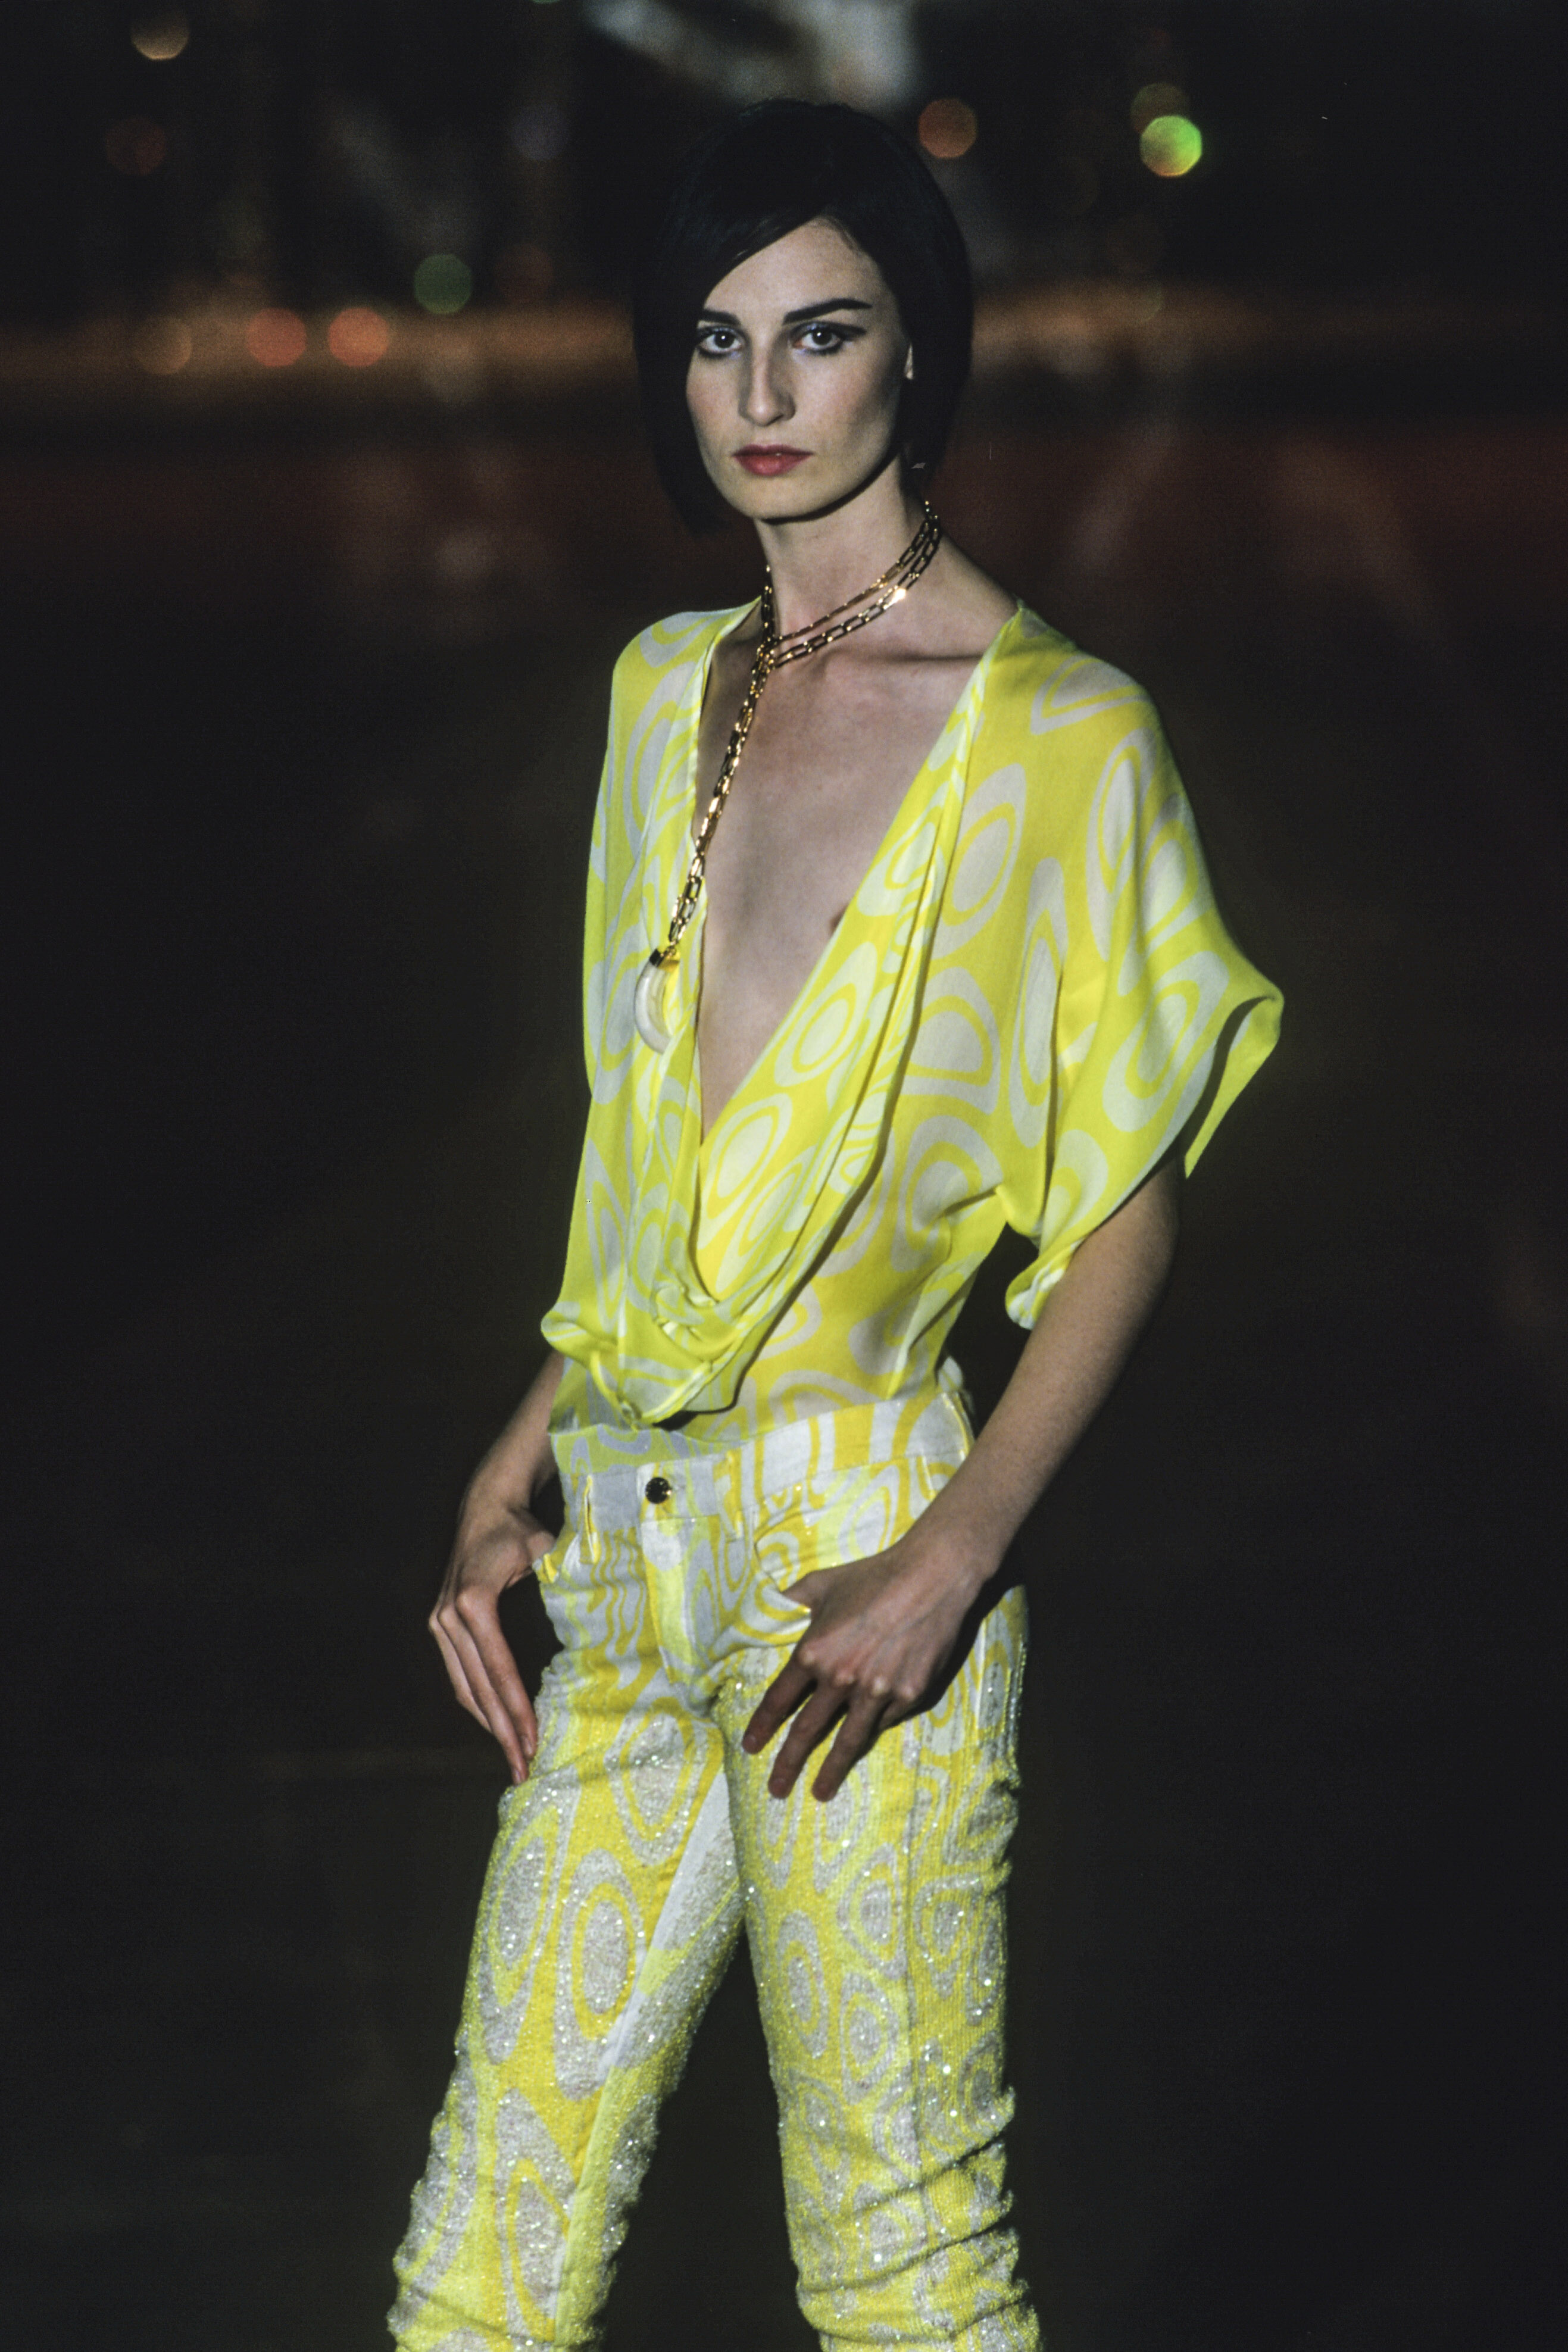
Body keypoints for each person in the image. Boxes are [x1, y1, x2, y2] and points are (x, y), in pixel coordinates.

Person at [389, 99, 1281, 2352]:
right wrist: (517, 1459)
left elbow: (1125, 1213)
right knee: (481, 2260)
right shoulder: (657, 691)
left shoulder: (1061, 737)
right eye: (717, 339)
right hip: (621, 1557)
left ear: (915, 352)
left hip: (856, 1551)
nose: (763, 395)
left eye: (821, 332)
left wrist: (949, 1563)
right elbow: (662, 1172)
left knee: (901, 2271)